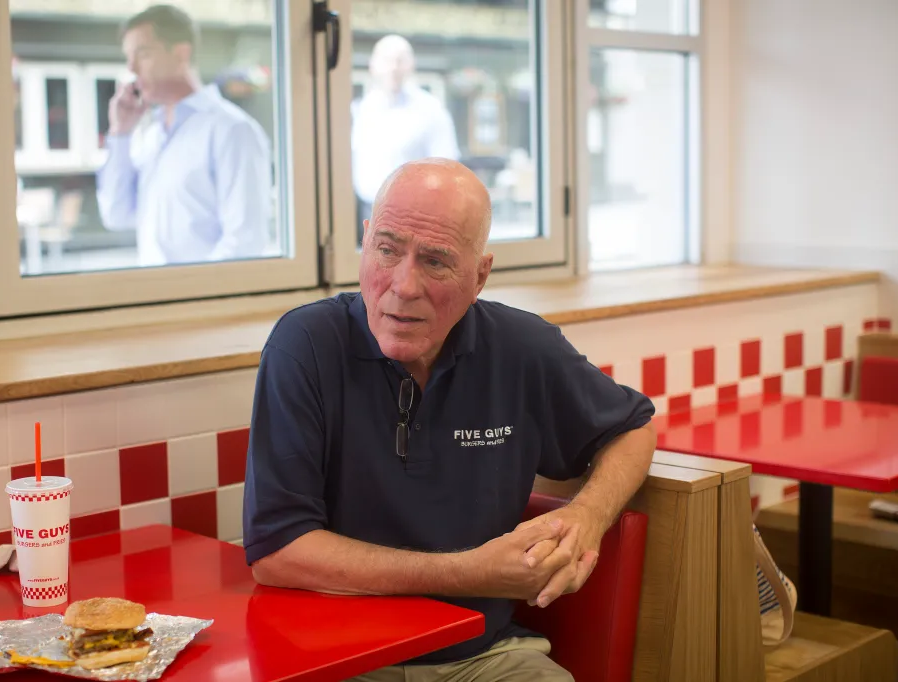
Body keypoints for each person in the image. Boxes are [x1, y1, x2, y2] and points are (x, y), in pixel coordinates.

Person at [243, 158, 656, 681]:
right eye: (387, 250)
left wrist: (587, 518)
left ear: (479, 275)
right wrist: (474, 572)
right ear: (366, 241)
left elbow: (633, 427)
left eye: (435, 261)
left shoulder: (521, 348)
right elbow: (278, 552)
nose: (403, 285)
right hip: (339, 656)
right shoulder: (304, 346)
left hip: (484, 656)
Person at [96, 4, 272, 267]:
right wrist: (120, 133)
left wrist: (187, 295)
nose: (131, 68)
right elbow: (116, 214)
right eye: (128, 57)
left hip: (198, 302)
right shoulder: (152, 134)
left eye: (142, 54)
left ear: (180, 54)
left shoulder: (232, 130)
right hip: (159, 298)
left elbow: (245, 243)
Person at [351, 35, 461, 241]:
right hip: (365, 215)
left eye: (400, 60)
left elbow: (448, 169)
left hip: (415, 220)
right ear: (372, 65)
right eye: (386, 60)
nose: (393, 67)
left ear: (411, 65)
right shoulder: (360, 109)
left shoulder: (431, 110)